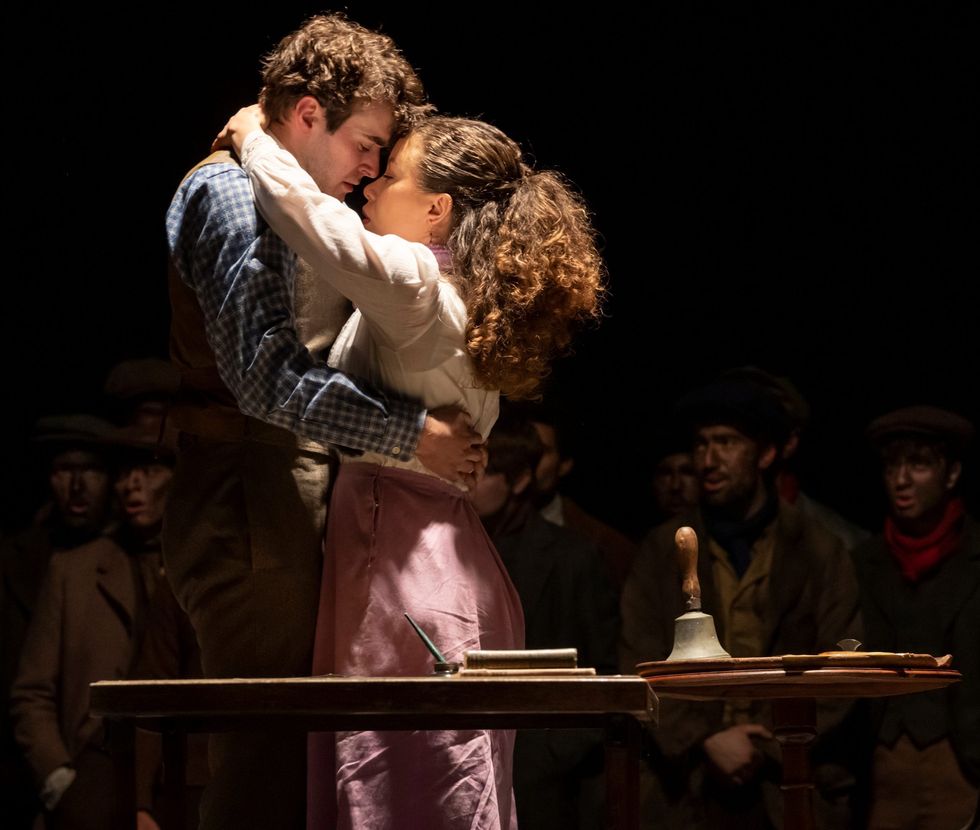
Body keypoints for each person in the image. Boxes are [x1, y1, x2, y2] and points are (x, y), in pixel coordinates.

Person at [218, 97, 605, 828]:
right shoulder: (466, 296)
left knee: (396, 789)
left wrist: (255, 139)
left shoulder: (418, 286)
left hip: (403, 567)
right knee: (438, 788)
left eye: (391, 173)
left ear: (436, 210)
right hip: (439, 562)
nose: (370, 185)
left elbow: (316, 224)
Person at [164, 15, 484, 830]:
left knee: (296, 756)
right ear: (308, 114)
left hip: (284, 487)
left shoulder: (289, 200)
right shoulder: (230, 194)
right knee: (266, 760)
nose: (372, 168)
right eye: (366, 144)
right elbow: (264, 378)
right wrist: (413, 434)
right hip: (247, 490)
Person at [619, 375, 861, 829]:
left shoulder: (818, 550)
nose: (709, 461)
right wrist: (704, 740)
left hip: (788, 781)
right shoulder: (663, 549)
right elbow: (639, 660)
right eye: (701, 444)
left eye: (727, 443)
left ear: (765, 455)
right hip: (686, 786)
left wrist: (767, 744)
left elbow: (842, 665)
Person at [10, 424, 175, 830]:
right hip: (94, 782)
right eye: (124, 473)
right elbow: (32, 691)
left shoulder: (198, 569)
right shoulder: (74, 570)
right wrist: (59, 778)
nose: (133, 484)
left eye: (149, 471)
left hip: (178, 780)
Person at [471, 405, 619, 829]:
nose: (468, 483)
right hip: (470, 761)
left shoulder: (573, 557)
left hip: (544, 781)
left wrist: (551, 753)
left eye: (485, 472)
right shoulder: (457, 547)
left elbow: (605, 669)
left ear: (519, 480)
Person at [850, 405, 978, 829]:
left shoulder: (974, 557)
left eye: (918, 465)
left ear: (951, 473)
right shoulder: (862, 562)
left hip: (962, 764)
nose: (901, 480)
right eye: (892, 466)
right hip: (882, 771)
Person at [0, 414, 114, 829]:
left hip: (97, 776)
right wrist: (54, 774)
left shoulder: (124, 559)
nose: (78, 485)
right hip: (22, 773)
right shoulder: (17, 560)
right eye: (65, 470)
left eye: (91, 470)